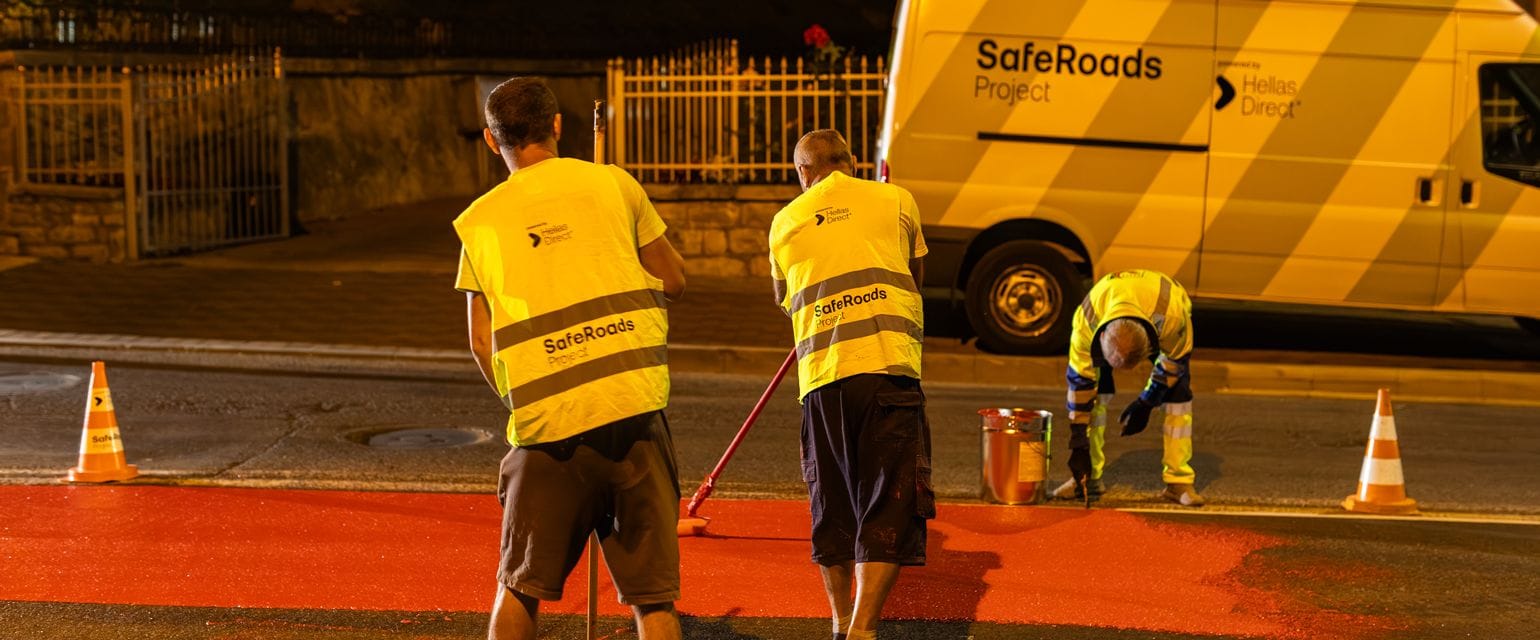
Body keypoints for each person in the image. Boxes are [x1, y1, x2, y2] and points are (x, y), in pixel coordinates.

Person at [453, 76, 688, 640]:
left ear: (491, 140)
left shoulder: (480, 222)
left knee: (518, 588)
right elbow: (673, 280)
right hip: (633, 413)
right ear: (558, 125)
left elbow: (480, 340)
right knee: (654, 602)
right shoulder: (614, 185)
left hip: (547, 428)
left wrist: (523, 395)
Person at [768, 129, 934, 640]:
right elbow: (916, 274)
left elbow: (782, 295)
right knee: (890, 500)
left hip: (823, 379)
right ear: (852, 162)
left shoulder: (784, 221)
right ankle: (863, 627)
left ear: (803, 172)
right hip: (888, 368)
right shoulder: (897, 199)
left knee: (833, 504)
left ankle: (841, 621)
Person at [1058, 268, 1204, 507]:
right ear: (1101, 335)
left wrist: (1147, 401)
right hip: (1112, 304)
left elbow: (1174, 362)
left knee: (1178, 395)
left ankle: (1179, 482)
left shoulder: (1172, 318)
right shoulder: (1087, 320)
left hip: (1163, 302)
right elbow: (1080, 382)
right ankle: (1088, 479)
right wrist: (1078, 441)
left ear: (1150, 343)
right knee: (1097, 394)